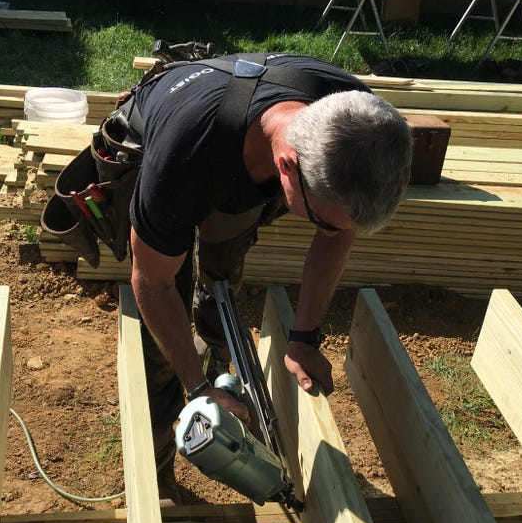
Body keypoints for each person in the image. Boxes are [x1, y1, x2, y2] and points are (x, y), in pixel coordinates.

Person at [122, 52, 413, 500]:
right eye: (324, 220)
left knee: (221, 282)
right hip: (173, 139)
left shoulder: (357, 121)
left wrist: (305, 336)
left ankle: (214, 348)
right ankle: (160, 472)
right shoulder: (182, 161)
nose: (334, 233)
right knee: (161, 344)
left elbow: (338, 229)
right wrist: (196, 388)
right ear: (287, 169)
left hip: (240, 153)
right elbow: (151, 283)